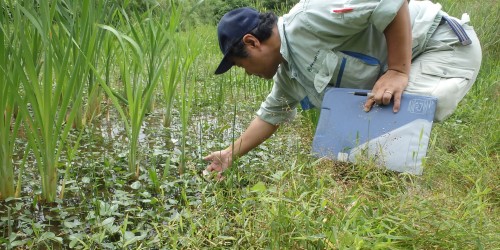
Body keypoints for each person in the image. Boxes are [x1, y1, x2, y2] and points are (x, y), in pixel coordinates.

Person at [204, 0, 482, 179]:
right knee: (363, 139)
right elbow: (269, 116)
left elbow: (391, 3)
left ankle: (400, 192)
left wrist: (398, 70)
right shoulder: (288, 71)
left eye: (242, 65)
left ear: (252, 42)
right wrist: (229, 154)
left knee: (393, 121)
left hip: (442, 44)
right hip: (419, 58)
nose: (248, 73)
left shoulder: (309, 18)